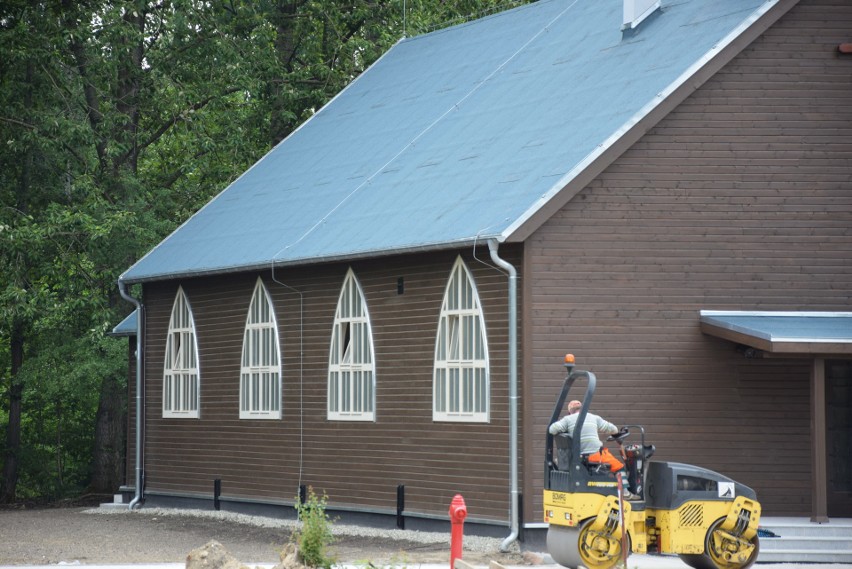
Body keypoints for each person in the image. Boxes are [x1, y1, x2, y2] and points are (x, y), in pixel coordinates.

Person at [549, 399, 640, 499]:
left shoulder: (567, 419)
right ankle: (626, 493)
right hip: (595, 455)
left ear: (570, 411)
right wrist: (616, 433)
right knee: (619, 467)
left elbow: (552, 429)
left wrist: (566, 429)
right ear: (583, 409)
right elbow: (613, 429)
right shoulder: (594, 418)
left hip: (577, 457)